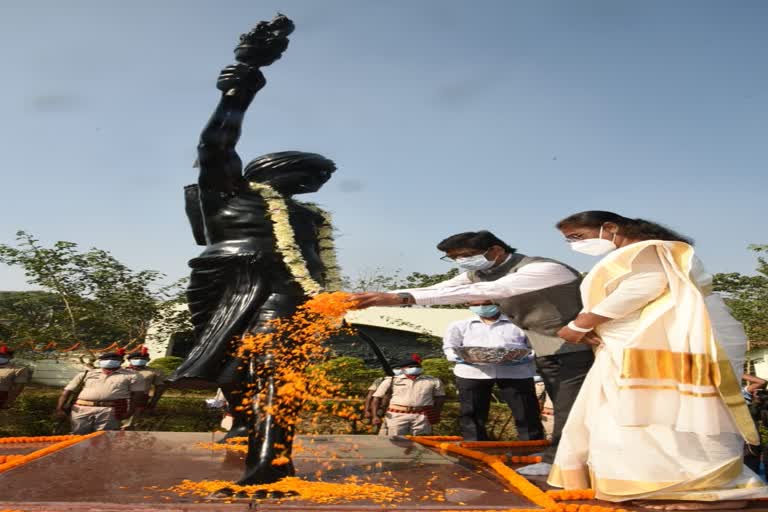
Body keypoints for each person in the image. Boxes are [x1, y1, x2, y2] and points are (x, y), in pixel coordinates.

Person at [549, 211, 767, 508]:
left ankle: (692, 489)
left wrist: (581, 324)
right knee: (629, 417)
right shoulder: (638, 252)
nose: (574, 245)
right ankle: (648, 485)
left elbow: (644, 287)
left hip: (649, 345)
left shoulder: (648, 250)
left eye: (577, 237)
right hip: (627, 347)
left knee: (661, 415)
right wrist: (592, 325)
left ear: (610, 228)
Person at [352, 230, 593, 474]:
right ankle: (560, 455)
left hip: (575, 347)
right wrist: (373, 299)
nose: (461, 262)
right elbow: (437, 291)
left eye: (466, 255)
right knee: (566, 405)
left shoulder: (542, 269)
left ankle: (560, 462)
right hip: (547, 349)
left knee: (568, 407)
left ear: (496, 250)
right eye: (453, 258)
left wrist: (398, 298)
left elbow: (490, 291)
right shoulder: (479, 274)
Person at [443, 300, 544, 441]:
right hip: (472, 372)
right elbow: (449, 347)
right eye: (477, 304)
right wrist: (462, 357)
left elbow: (535, 346)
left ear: (498, 302)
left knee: (526, 412)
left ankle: (533, 448)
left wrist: (522, 357)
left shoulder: (519, 324)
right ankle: (475, 449)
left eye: (486, 303)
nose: (482, 307)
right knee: (471, 414)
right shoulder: (459, 325)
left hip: (516, 373)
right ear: (468, 304)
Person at [56, 350, 145, 434]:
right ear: (100, 361)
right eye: (106, 359)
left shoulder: (132, 375)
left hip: (110, 410)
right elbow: (67, 391)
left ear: (121, 361)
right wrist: (59, 408)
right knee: (78, 436)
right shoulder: (87, 374)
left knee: (104, 438)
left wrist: (131, 411)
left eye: (114, 360)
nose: (110, 361)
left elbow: (138, 395)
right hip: (81, 408)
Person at [372, 355, 445, 436]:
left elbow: (440, 398)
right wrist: (375, 416)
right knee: (396, 440)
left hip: (422, 415)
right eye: (411, 366)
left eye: (418, 366)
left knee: (421, 441)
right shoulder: (392, 380)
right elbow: (376, 398)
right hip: (397, 415)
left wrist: (436, 412)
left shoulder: (433, 381)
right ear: (403, 368)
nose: (415, 368)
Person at [121, 347, 166, 429]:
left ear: (147, 360)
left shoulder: (154, 372)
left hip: (137, 400)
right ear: (129, 360)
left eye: (142, 358)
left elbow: (160, 388)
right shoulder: (121, 370)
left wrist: (153, 402)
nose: (139, 360)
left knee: (128, 427)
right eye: (136, 358)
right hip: (117, 400)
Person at [0, 344, 31, 409]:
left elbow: (18, 389)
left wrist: (9, 402)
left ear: (11, 357)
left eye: (3, 355)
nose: (0, 357)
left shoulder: (19, 369)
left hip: (3, 399)